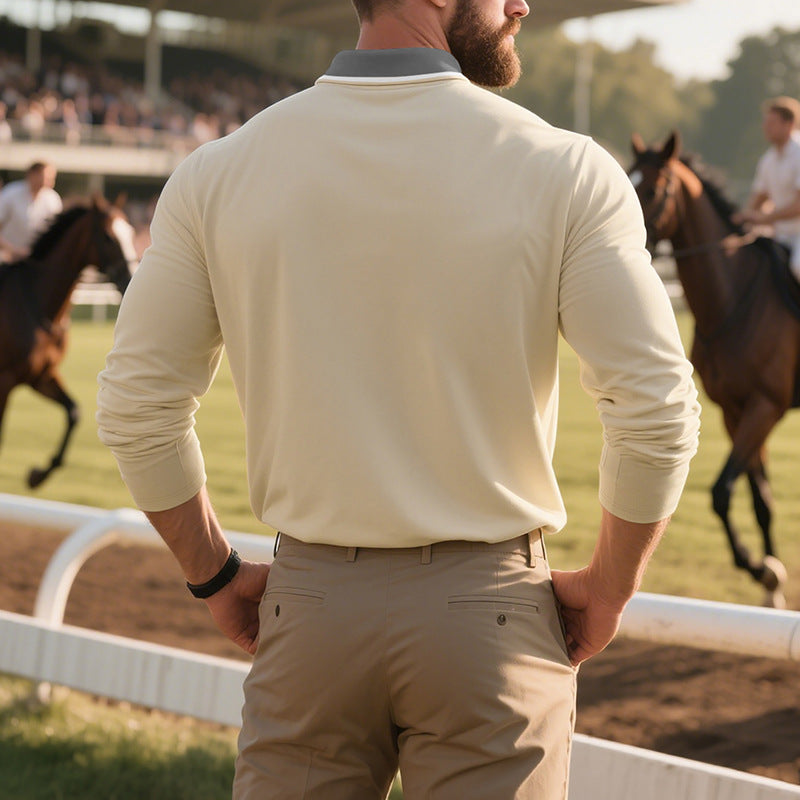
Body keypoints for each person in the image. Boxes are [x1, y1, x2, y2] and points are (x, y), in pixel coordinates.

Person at [96, 0, 700, 797]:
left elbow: (138, 408)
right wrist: (611, 588)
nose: (521, 4)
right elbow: (655, 409)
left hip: (308, 612)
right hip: (489, 621)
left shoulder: (218, 172)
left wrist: (213, 576)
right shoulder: (565, 168)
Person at [736, 96, 800, 280]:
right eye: (765, 122)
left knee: (798, 267)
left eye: (771, 122)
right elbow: (759, 197)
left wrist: (764, 218)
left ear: (788, 124)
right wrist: (744, 217)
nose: (765, 127)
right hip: (782, 234)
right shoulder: (768, 160)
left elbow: (798, 206)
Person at [0, 161, 63, 262]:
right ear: (32, 175)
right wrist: (13, 251)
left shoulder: (53, 199)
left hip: (37, 260)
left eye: (52, 177)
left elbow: (56, 234)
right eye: (46, 177)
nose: (51, 181)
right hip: (5, 258)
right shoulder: (10, 193)